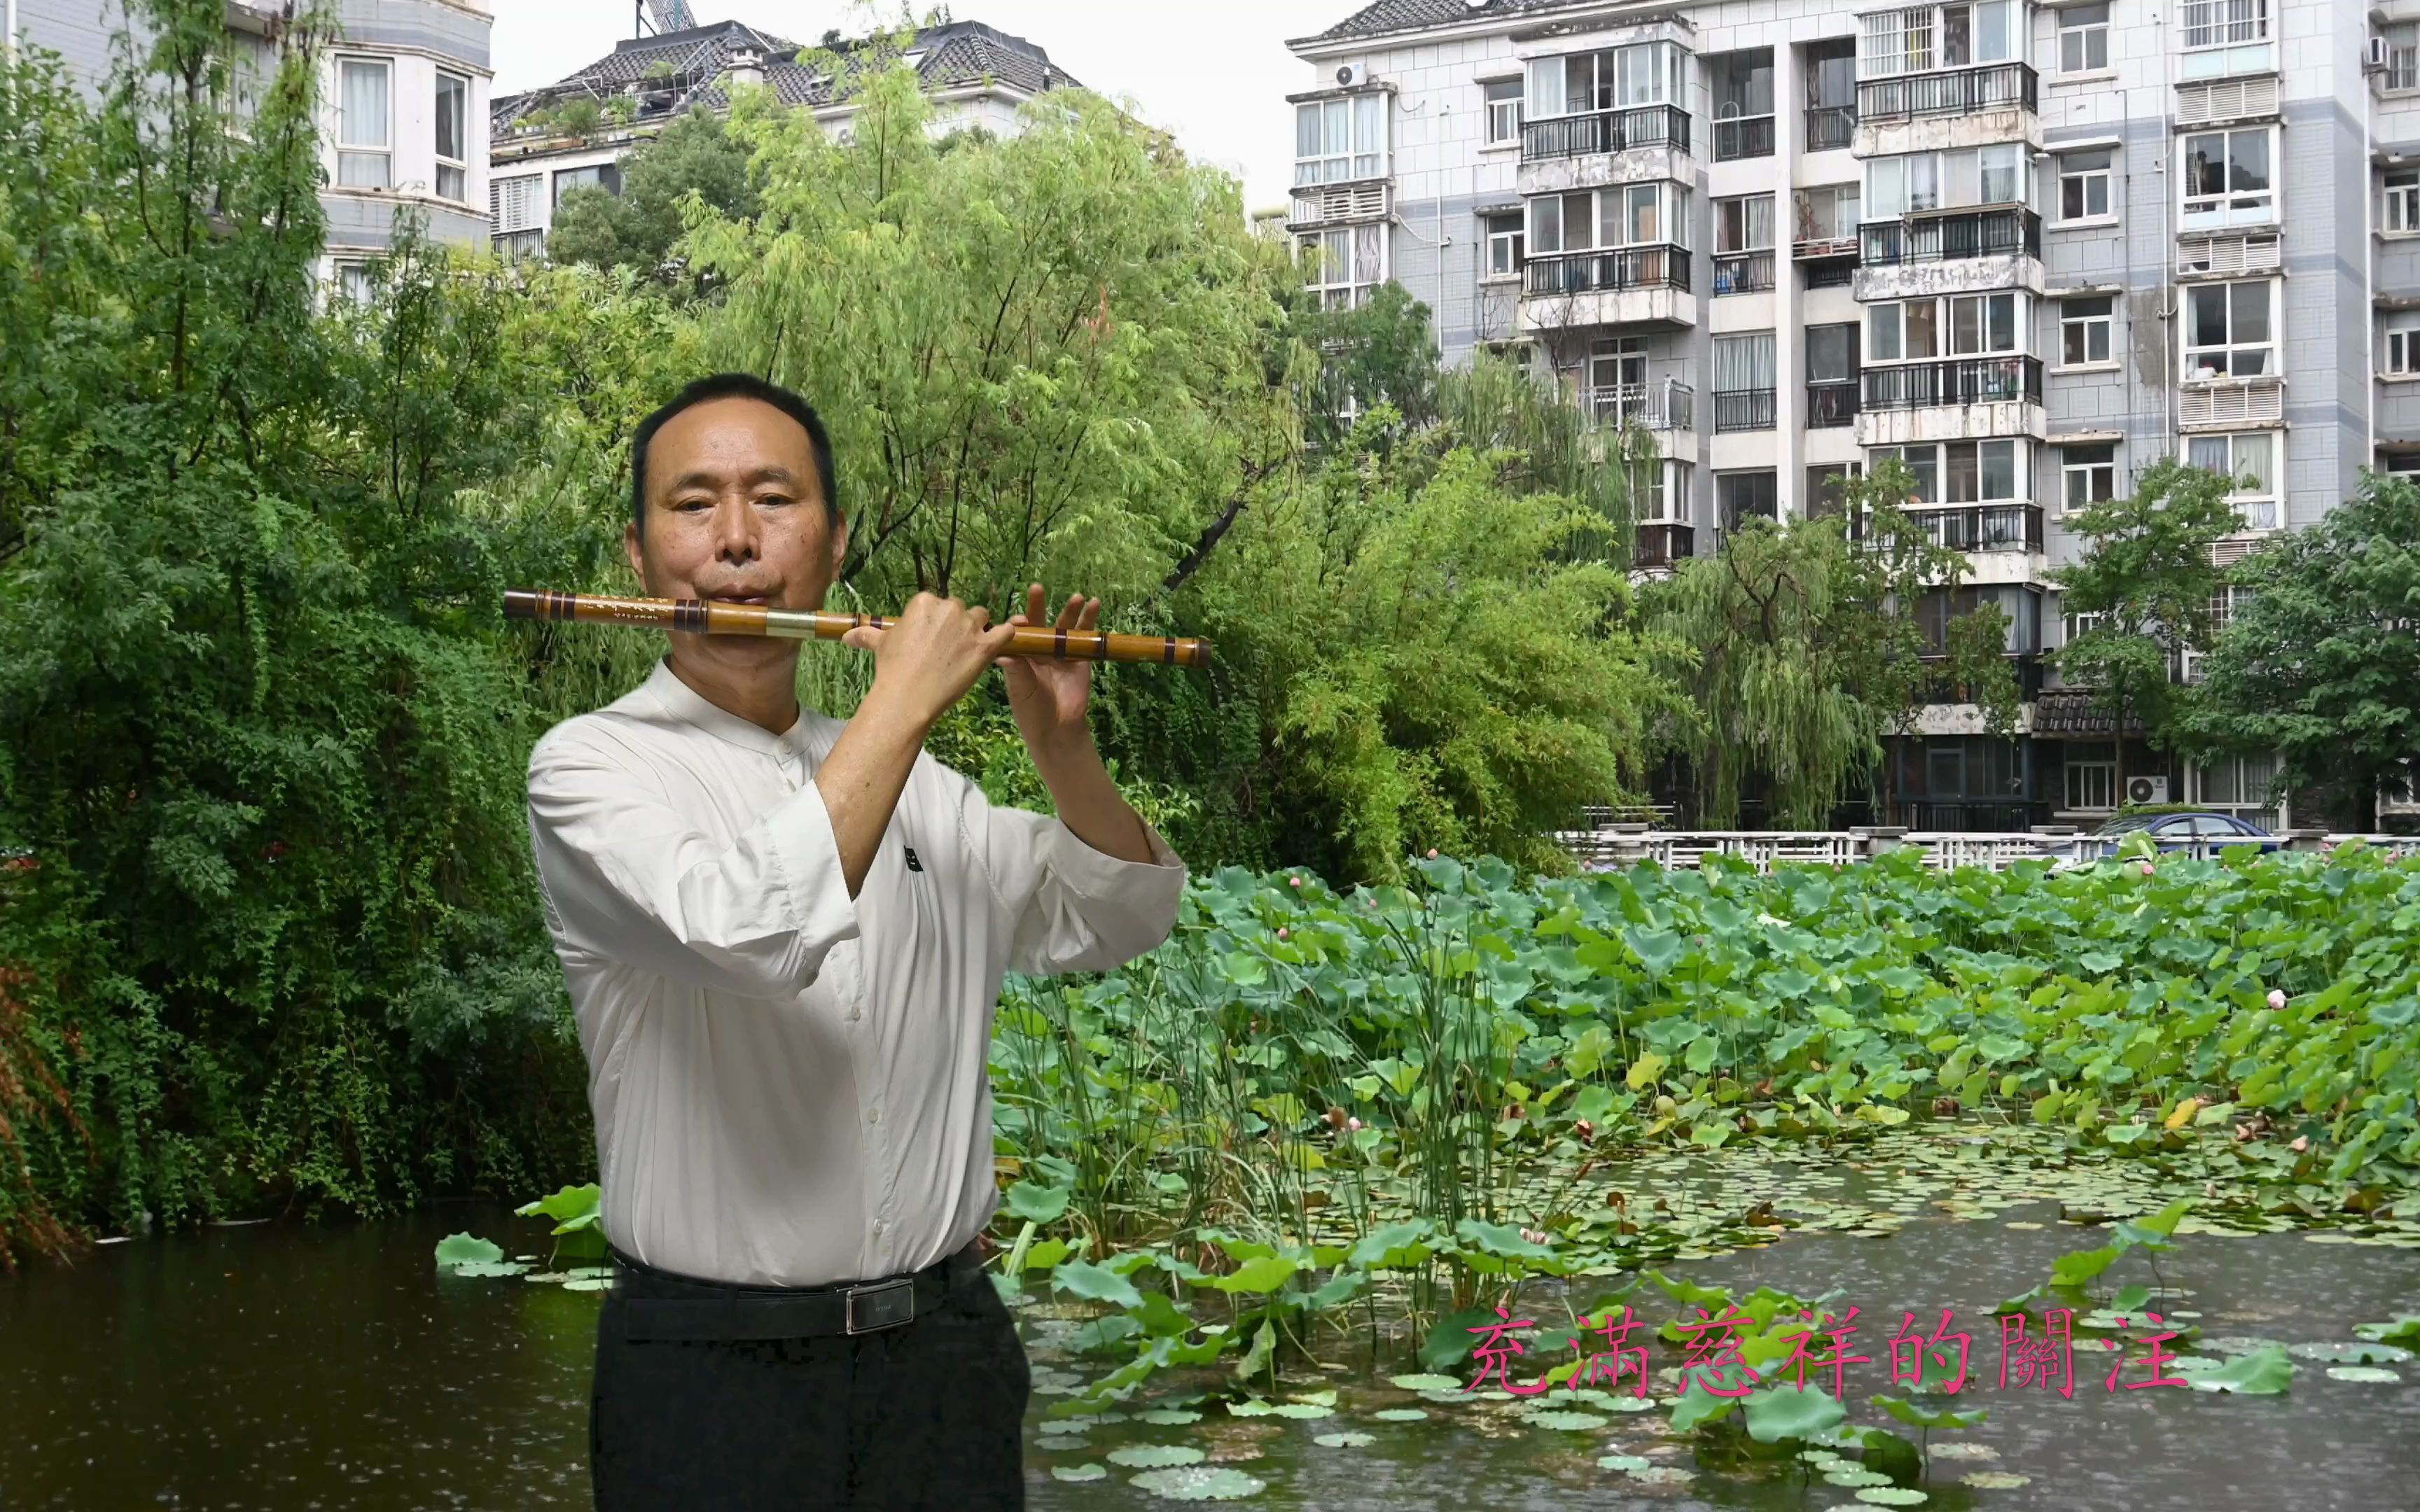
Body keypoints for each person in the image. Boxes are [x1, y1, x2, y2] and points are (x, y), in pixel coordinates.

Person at [523, 372, 1188, 1511]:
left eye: (773, 501)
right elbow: (745, 928)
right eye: (695, 506)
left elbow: (1119, 912)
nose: (736, 541)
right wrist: (904, 705)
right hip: (703, 1373)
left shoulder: (930, 790)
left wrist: (1065, 751)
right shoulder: (590, 768)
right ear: (637, 555)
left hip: (946, 1360)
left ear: (832, 547)